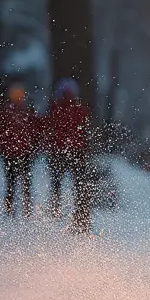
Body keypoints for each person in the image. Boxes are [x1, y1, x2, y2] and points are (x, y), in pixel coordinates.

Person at [43, 78, 92, 232]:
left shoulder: (54, 108)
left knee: (56, 184)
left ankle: (55, 212)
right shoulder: (81, 109)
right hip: (76, 151)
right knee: (80, 186)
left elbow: (48, 128)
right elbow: (85, 129)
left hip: (57, 151)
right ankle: (82, 218)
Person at [0, 85, 38, 217]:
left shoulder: (5, 112)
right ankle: (24, 209)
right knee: (23, 182)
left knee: (12, 182)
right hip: (22, 152)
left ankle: (11, 209)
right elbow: (35, 130)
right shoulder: (26, 111)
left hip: (12, 152)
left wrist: (2, 144)